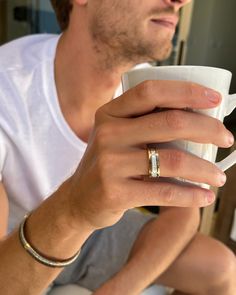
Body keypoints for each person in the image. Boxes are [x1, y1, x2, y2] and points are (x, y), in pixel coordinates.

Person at [0, 0, 235, 294]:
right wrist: (74, 210)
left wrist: (119, 289)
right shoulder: (7, 87)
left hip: (97, 236)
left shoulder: (152, 84)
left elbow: (182, 212)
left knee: (222, 268)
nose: (182, 1)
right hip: (16, 238)